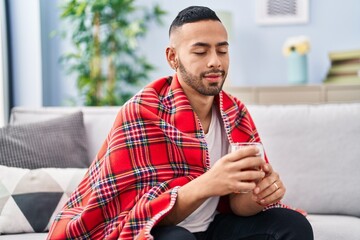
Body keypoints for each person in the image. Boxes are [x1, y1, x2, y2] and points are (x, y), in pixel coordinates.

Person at [48, 6, 313, 240]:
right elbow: (138, 217)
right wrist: (209, 182)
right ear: (172, 57)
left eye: (222, 50)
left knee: (292, 225)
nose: (215, 61)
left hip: (215, 227)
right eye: (200, 51)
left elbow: (238, 205)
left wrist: (260, 196)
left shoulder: (235, 111)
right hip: (162, 230)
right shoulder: (142, 111)